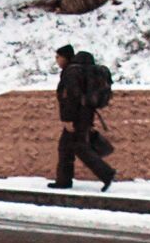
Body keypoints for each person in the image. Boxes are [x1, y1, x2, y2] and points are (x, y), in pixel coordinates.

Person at [49, 44, 115, 192]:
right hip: (85, 114)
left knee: (79, 147)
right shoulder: (81, 70)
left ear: (65, 57)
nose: (56, 60)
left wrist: (67, 119)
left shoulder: (71, 73)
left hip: (76, 117)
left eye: (58, 57)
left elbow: (71, 98)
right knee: (66, 147)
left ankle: (106, 173)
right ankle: (63, 181)